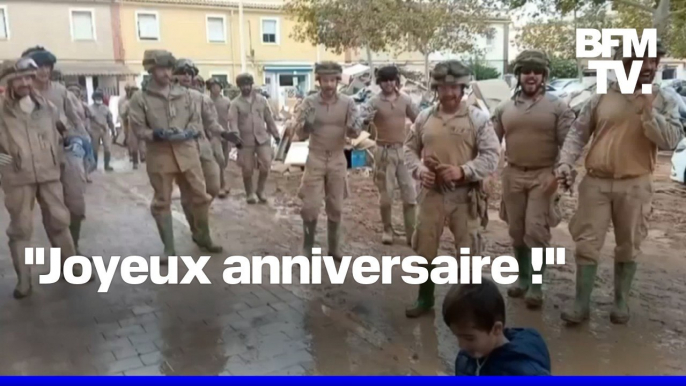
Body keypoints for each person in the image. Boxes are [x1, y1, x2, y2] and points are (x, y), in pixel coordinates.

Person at [556, 40, 683, 325]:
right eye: (642, 61)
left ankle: (621, 301)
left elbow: (670, 141)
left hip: (635, 184)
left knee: (629, 243)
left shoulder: (665, 100)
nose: (650, 67)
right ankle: (581, 304)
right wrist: (565, 162)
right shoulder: (601, 95)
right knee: (587, 244)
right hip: (596, 183)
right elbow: (578, 133)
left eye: (654, 61)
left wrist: (649, 111)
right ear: (623, 63)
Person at [404, 60, 500, 318]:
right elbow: (409, 150)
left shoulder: (477, 119)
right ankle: (425, 300)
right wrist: (420, 170)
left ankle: (469, 305)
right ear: (436, 88)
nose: (449, 93)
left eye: (454, 87)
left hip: (464, 195)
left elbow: (492, 155)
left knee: (468, 250)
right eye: (443, 87)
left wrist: (463, 171)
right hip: (431, 194)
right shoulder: (424, 117)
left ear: (463, 87)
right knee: (425, 246)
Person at [491, 50, 575, 309]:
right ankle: (523, 278)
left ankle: (537, 286)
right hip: (513, 174)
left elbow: (571, 143)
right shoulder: (504, 108)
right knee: (516, 230)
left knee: (536, 231)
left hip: (543, 175)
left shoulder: (558, 107)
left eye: (537, 71)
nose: (531, 75)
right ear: (518, 75)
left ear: (544, 76)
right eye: (526, 71)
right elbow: (490, 142)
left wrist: (565, 169)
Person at [0, 57, 78, 298]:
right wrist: (5, 161)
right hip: (17, 177)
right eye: (19, 78)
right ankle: (24, 280)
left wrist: (71, 141)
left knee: (59, 221)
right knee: (21, 228)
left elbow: (64, 129)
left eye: (28, 78)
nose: (25, 83)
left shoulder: (47, 107)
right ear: (7, 82)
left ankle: (73, 267)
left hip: (48, 173)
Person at [128, 50, 213, 263]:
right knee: (162, 201)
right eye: (161, 68)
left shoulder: (183, 94)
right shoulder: (141, 98)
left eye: (168, 68)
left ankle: (203, 236)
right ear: (150, 69)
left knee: (200, 196)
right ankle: (169, 248)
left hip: (187, 152)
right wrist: (156, 134)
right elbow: (138, 128)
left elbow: (195, 121)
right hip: (160, 155)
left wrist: (189, 132)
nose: (166, 73)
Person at [22, 46, 92, 256]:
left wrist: (80, 142)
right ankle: (66, 255)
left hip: (66, 153)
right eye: (39, 67)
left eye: (47, 66)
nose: (44, 71)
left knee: (76, 205)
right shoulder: (21, 94)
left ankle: (74, 245)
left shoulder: (61, 92)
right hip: (38, 159)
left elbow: (78, 122)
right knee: (53, 212)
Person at [294, 62, 361, 259]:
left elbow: (355, 132)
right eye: (325, 80)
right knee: (310, 207)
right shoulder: (309, 103)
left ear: (338, 81)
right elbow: (299, 134)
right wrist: (306, 124)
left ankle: (334, 248)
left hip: (338, 158)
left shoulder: (348, 103)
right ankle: (307, 247)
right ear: (319, 81)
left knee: (336, 207)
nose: (329, 85)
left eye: (333, 80)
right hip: (315, 157)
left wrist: (354, 127)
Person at [172, 59, 231, 252]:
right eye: (182, 72)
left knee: (212, 187)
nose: (187, 76)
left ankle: (198, 222)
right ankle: (202, 234)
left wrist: (223, 133)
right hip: (180, 149)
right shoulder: (167, 98)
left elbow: (211, 123)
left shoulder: (201, 98)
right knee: (191, 194)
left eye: (190, 73)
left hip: (203, 146)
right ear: (174, 75)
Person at [442, 280, 551, 375]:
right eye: (457, 336)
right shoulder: (466, 359)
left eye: (469, 338)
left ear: (496, 329)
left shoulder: (522, 371)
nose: (462, 346)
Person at [362, 65, 419, 245]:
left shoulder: (405, 100)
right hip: (383, 152)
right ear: (379, 83)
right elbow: (360, 126)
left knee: (410, 194)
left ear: (396, 81)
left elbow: (419, 120)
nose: (388, 84)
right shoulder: (373, 102)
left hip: (403, 151)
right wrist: (365, 121)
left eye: (391, 79)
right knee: (386, 196)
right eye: (384, 80)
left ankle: (412, 233)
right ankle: (387, 229)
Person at [229, 73, 280, 204]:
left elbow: (268, 118)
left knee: (266, 164)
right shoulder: (235, 104)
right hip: (245, 141)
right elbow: (233, 122)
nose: (246, 88)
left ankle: (260, 190)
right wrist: (236, 138)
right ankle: (250, 192)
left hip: (262, 138)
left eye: (248, 85)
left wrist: (276, 134)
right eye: (243, 85)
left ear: (251, 85)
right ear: (239, 87)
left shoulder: (261, 100)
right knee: (247, 168)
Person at [207, 77, 232, 198]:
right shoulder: (206, 101)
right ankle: (221, 185)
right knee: (218, 160)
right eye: (212, 86)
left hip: (225, 134)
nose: (215, 88)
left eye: (217, 86)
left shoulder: (226, 102)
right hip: (213, 135)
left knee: (225, 161)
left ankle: (223, 183)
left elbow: (231, 118)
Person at [88, 89, 115, 172]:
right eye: (97, 97)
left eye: (100, 97)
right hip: (94, 130)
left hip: (105, 130)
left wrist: (113, 130)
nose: (98, 99)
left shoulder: (106, 108)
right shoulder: (89, 108)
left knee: (107, 147)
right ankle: (94, 165)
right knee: (94, 148)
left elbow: (110, 120)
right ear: (93, 98)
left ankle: (107, 165)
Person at [120, 84, 146, 169]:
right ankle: (135, 162)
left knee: (143, 143)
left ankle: (143, 158)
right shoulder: (127, 103)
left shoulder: (143, 102)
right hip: (132, 125)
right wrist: (127, 118)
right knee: (133, 144)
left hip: (142, 125)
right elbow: (123, 114)